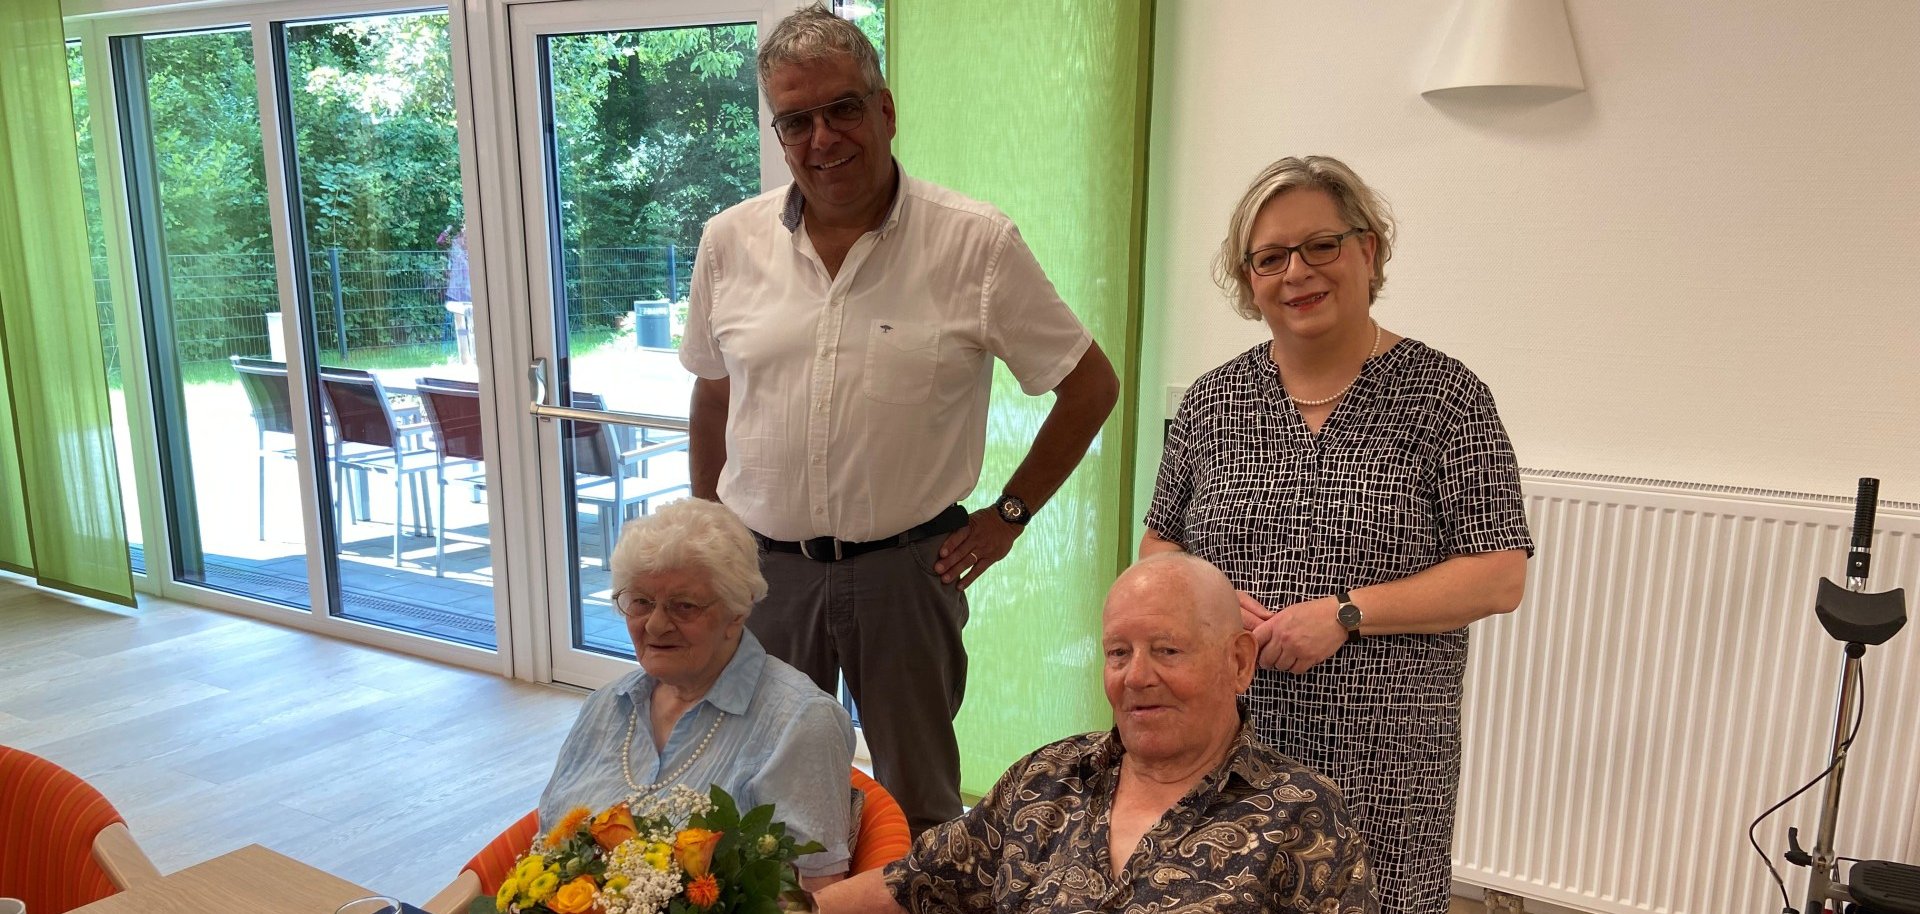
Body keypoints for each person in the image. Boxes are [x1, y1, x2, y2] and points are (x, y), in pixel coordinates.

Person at [679, 4, 1119, 834]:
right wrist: (709, 531)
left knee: (921, 807)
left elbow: (1090, 385)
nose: (823, 138)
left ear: (885, 109)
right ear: (779, 134)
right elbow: (713, 389)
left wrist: (1009, 516)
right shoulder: (729, 242)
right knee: (761, 799)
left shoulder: (975, 244)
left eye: (843, 108)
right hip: (768, 576)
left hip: (908, 575)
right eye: (796, 120)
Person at [1140, 155, 1533, 914]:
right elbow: (1160, 546)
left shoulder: (1446, 398)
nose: (1297, 272)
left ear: (1368, 250)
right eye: (1270, 257)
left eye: (1321, 245)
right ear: (1249, 278)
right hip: (1227, 742)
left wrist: (1347, 613)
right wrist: (1211, 599)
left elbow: (1499, 573)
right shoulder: (1213, 403)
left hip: (1382, 757)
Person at [809, 552, 1378, 914]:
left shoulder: (1301, 815)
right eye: (1118, 653)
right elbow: (908, 885)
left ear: (1238, 662)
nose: (1137, 676)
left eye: (1167, 651)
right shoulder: (1046, 779)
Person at [537, 498, 855, 888]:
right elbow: (544, 842)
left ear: (737, 611)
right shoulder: (607, 705)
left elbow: (815, 894)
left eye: (683, 606)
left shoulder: (799, 722)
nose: (655, 625)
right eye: (640, 602)